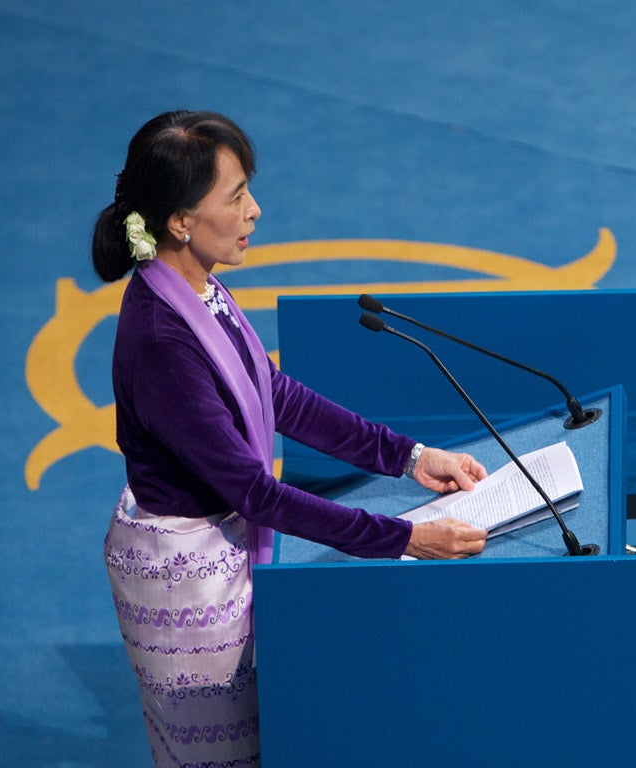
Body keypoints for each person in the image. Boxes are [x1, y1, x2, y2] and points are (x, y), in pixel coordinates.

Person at [94, 110, 488, 767]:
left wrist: (410, 458)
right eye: (236, 196)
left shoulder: (200, 290)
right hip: (188, 583)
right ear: (181, 221)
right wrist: (405, 539)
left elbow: (275, 396)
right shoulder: (164, 338)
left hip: (224, 554)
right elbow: (255, 493)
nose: (255, 210)